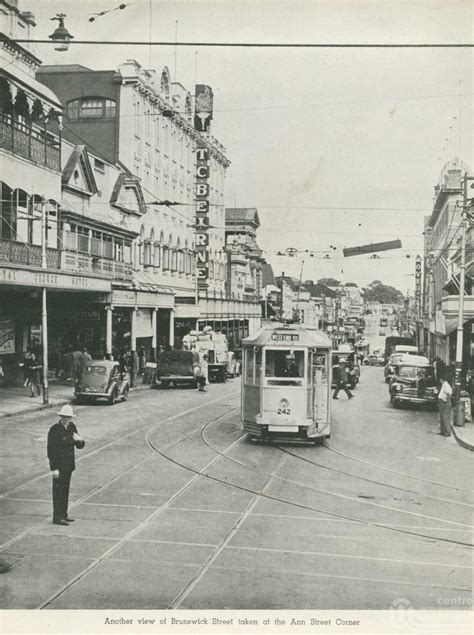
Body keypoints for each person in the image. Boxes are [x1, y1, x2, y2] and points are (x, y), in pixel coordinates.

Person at [47, 404, 85, 526]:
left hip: (68, 465)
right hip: (59, 466)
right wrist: (54, 468)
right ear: (61, 417)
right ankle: (57, 517)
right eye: (64, 417)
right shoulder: (55, 430)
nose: (66, 419)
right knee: (58, 491)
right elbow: (51, 451)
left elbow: (79, 445)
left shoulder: (71, 427)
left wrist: (80, 440)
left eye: (68, 417)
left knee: (65, 490)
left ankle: (64, 514)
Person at [437, 372, 452, 437]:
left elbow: (449, 394)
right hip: (442, 402)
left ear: (441, 379)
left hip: (444, 403)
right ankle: (443, 431)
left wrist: (446, 400)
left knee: (445, 417)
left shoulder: (446, 385)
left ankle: (447, 432)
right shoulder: (444, 385)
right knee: (442, 417)